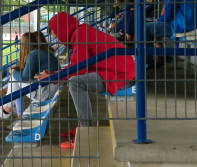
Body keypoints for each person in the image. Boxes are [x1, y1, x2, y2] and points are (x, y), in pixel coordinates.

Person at [38, 12, 136, 149]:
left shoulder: (81, 35)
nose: (59, 41)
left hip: (121, 74)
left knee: (75, 83)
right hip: (116, 71)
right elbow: (77, 66)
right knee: (75, 80)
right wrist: (54, 74)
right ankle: (82, 126)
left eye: (58, 36)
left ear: (62, 29)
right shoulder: (80, 32)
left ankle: (84, 130)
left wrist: (51, 78)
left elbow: (78, 69)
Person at [0, 32, 59, 126]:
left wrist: (13, 71)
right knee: (15, 79)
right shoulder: (41, 52)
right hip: (49, 90)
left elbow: (25, 79)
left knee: (14, 77)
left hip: (44, 94)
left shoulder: (34, 54)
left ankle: (7, 109)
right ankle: (10, 110)